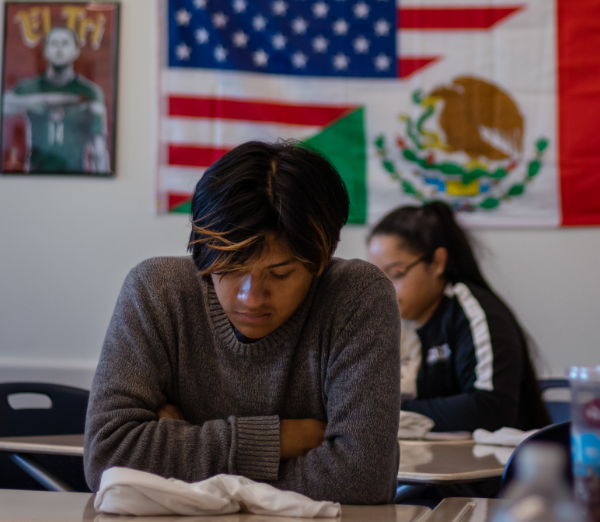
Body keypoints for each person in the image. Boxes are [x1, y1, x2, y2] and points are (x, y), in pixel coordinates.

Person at [84, 141, 401, 503]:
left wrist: (182, 447)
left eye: (280, 273)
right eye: (232, 268)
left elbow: (361, 480)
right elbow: (108, 458)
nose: (251, 297)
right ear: (203, 251)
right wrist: (278, 439)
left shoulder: (358, 297)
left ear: (320, 261)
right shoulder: (157, 291)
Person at [368, 201, 550, 433]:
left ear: (437, 262)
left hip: (501, 463)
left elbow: (491, 408)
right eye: (376, 277)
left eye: (396, 274)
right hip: (435, 461)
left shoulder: (473, 311)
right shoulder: (388, 321)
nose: (384, 289)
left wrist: (389, 410)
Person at [2, 26, 109, 173]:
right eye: (54, 44)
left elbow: (99, 147)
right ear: (45, 51)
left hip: (77, 176)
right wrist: (47, 100)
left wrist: (103, 184)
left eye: (65, 44)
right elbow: (4, 105)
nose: (59, 49)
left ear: (76, 51)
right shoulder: (30, 88)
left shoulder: (90, 92)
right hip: (36, 177)